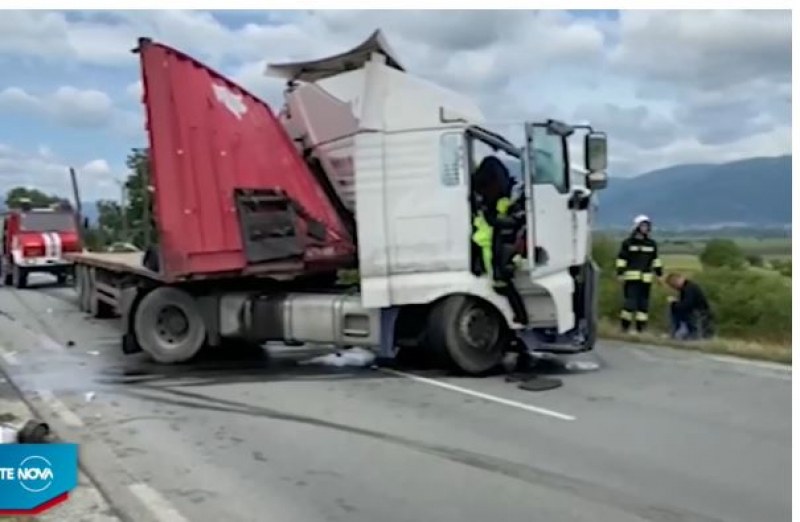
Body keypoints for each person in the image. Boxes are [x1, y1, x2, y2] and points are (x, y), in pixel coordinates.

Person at [471, 156, 528, 326]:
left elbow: (513, 219)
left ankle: (520, 316)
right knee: (502, 279)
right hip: (492, 242)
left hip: (495, 243)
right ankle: (519, 317)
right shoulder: (506, 193)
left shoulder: (507, 196)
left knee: (503, 278)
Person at [615, 214, 663, 333]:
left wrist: (659, 274)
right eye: (643, 226)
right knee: (629, 305)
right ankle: (624, 328)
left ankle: (641, 330)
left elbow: (655, 260)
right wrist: (620, 273)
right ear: (636, 227)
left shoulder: (651, 244)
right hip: (631, 279)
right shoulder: (628, 243)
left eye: (647, 226)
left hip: (646, 280)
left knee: (643, 306)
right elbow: (621, 259)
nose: (645, 228)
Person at [665, 272, 715, 340]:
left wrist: (674, 303)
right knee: (674, 308)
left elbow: (687, 305)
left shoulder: (689, 288)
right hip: (696, 312)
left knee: (675, 308)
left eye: (673, 285)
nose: (674, 288)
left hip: (700, 314)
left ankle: (683, 333)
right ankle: (677, 332)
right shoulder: (685, 288)